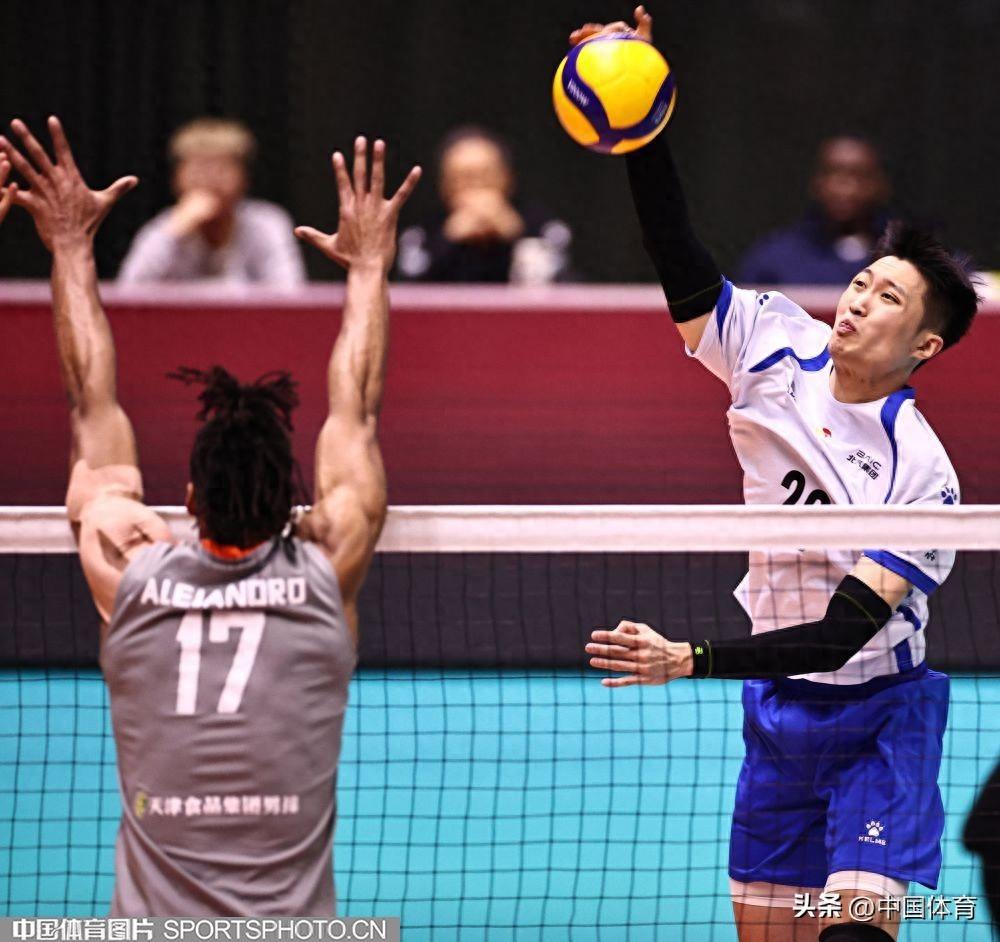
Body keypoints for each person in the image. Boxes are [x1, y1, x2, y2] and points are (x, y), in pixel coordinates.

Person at [574, 8, 978, 942]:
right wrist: (641, 127)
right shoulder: (772, 348)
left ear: (923, 344)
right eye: (862, 282)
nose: (858, 300)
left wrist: (689, 660)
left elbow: (839, 637)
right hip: (779, 720)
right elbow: (677, 255)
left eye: (887, 296)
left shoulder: (923, 477)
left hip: (881, 719)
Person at [0, 117, 419, 915]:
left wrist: (69, 248)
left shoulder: (130, 569)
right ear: (293, 505)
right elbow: (356, 413)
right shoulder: (325, 571)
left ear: (188, 501)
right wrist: (369, 267)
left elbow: (90, 404)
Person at [118, 118, 306, 288]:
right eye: (198, 168)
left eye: (221, 168)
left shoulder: (267, 223)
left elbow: (289, 292)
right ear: (176, 177)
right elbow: (129, 293)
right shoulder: (165, 228)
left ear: (244, 177)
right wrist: (173, 234)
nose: (209, 179)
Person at [396, 125, 574, 284]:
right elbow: (406, 295)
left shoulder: (542, 227)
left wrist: (518, 236)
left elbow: (568, 291)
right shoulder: (422, 234)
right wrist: (446, 241)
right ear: (444, 186)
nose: (476, 189)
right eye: (464, 179)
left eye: (485, 177)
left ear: (507, 179)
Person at [738, 136, 891, 286]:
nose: (844, 187)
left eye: (859, 175)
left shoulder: (899, 256)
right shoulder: (773, 258)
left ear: (880, 185)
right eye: (832, 173)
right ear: (816, 182)